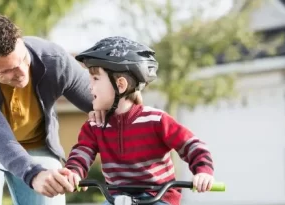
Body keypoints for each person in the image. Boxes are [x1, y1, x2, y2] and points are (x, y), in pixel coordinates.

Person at [0, 14, 104, 205]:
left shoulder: (54, 60)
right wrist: (33, 174)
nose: (21, 72)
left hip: (36, 144)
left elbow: (99, 98)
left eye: (22, 59)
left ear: (21, 42)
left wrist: (124, 100)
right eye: (7, 71)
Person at [64, 36, 215, 205]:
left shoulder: (156, 120)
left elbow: (192, 145)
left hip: (157, 197)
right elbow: (82, 152)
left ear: (120, 85)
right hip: (116, 198)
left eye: (95, 79)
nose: (89, 86)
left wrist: (203, 171)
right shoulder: (95, 126)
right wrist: (74, 172)